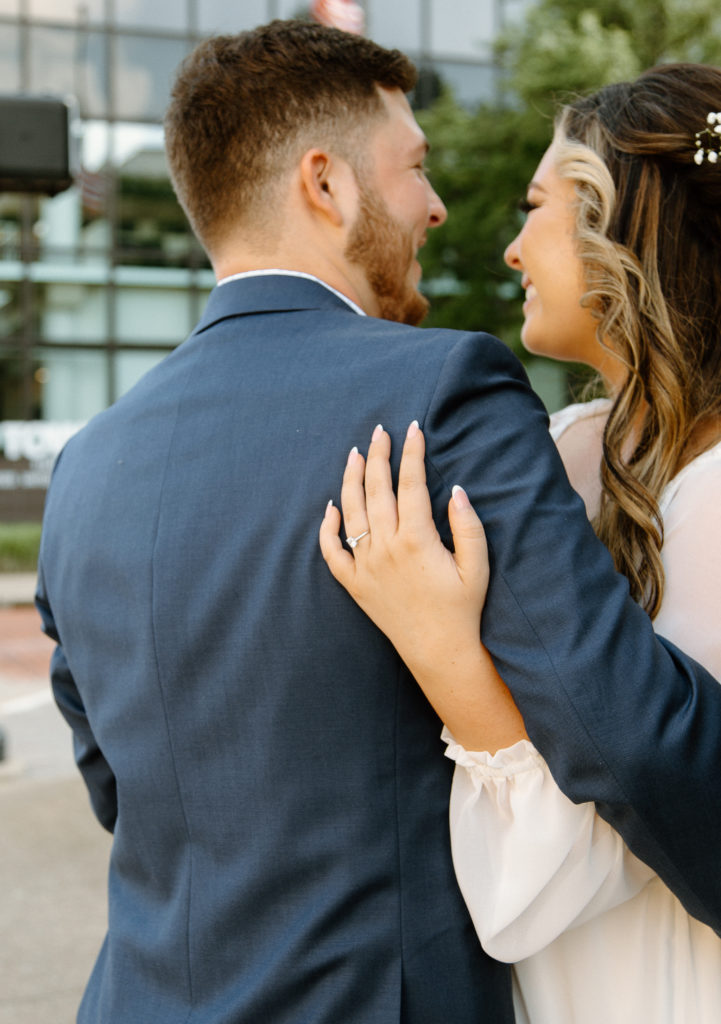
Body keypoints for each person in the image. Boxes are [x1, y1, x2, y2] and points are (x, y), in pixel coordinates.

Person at [33, 17, 720, 1019]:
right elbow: (618, 725)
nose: (438, 208)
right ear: (326, 183)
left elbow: (121, 786)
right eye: (414, 169)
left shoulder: (89, 462)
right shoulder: (440, 391)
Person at [319, 63, 721, 1022]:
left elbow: (654, 815)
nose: (506, 248)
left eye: (535, 203)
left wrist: (445, 649)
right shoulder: (560, 452)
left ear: (618, 221)